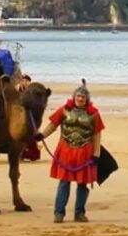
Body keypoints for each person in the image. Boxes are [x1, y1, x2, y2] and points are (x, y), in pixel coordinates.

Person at [35, 81, 105, 223]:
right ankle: (59, 213)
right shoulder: (63, 110)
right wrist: (42, 135)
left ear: (87, 99)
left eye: (83, 97)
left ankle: (79, 213)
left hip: (84, 152)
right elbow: (53, 125)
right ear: (74, 97)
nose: (80, 99)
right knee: (64, 183)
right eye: (78, 96)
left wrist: (96, 154)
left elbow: (96, 135)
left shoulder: (94, 114)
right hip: (66, 151)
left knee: (82, 184)